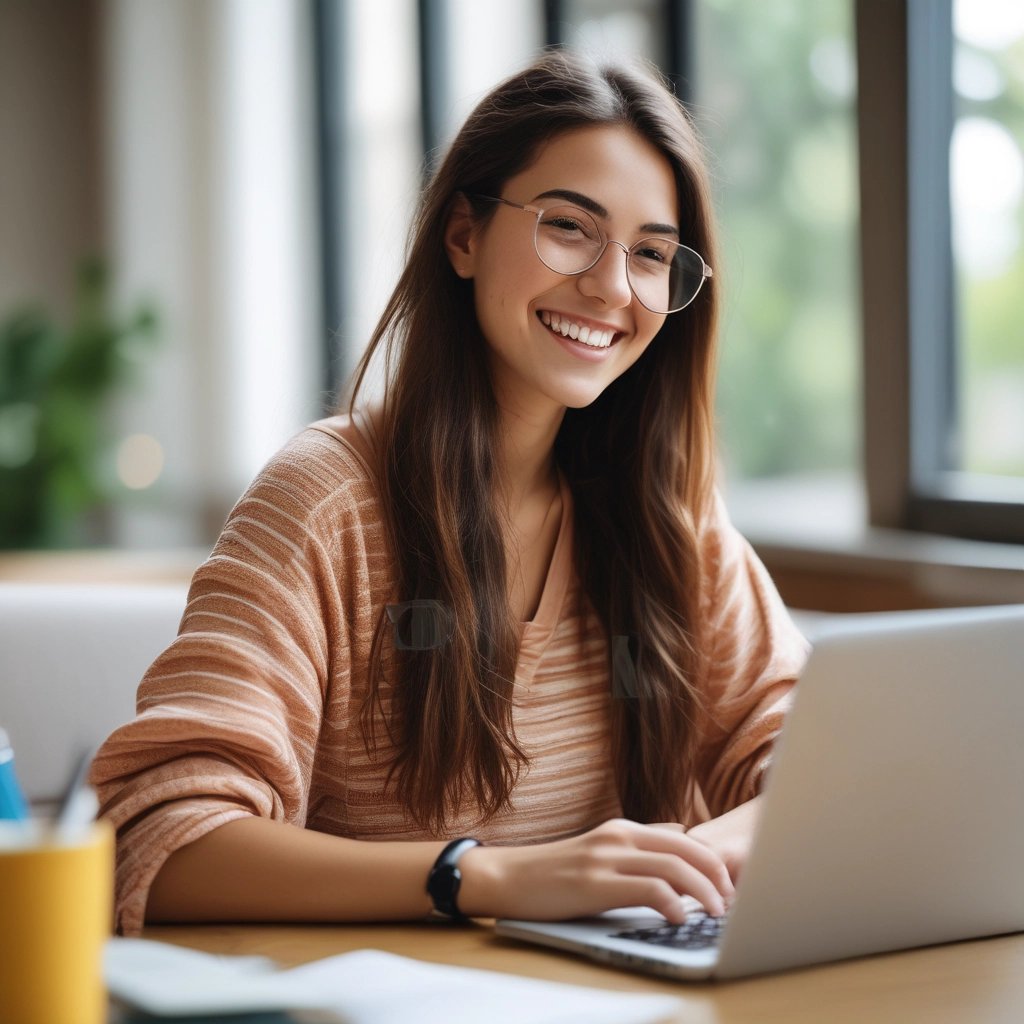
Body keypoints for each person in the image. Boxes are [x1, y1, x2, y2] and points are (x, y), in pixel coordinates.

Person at [92, 49, 808, 938]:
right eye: (569, 227)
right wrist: (482, 879)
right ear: (463, 235)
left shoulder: (670, 519)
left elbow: (817, 767)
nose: (612, 287)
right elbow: (161, 839)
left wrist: (696, 858)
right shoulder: (326, 502)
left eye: (653, 254)